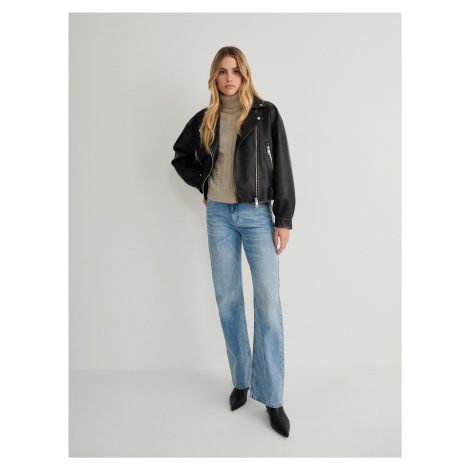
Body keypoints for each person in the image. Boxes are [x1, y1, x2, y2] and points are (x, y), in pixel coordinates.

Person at [171, 46, 295, 437]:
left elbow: (283, 167)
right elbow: (180, 157)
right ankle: (241, 380)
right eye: (223, 71)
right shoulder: (204, 118)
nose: (229, 78)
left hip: (257, 216)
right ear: (215, 77)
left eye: (236, 71)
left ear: (245, 75)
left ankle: (272, 397)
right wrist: (204, 184)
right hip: (219, 217)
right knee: (228, 299)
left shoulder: (265, 114)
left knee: (268, 304)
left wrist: (283, 219)